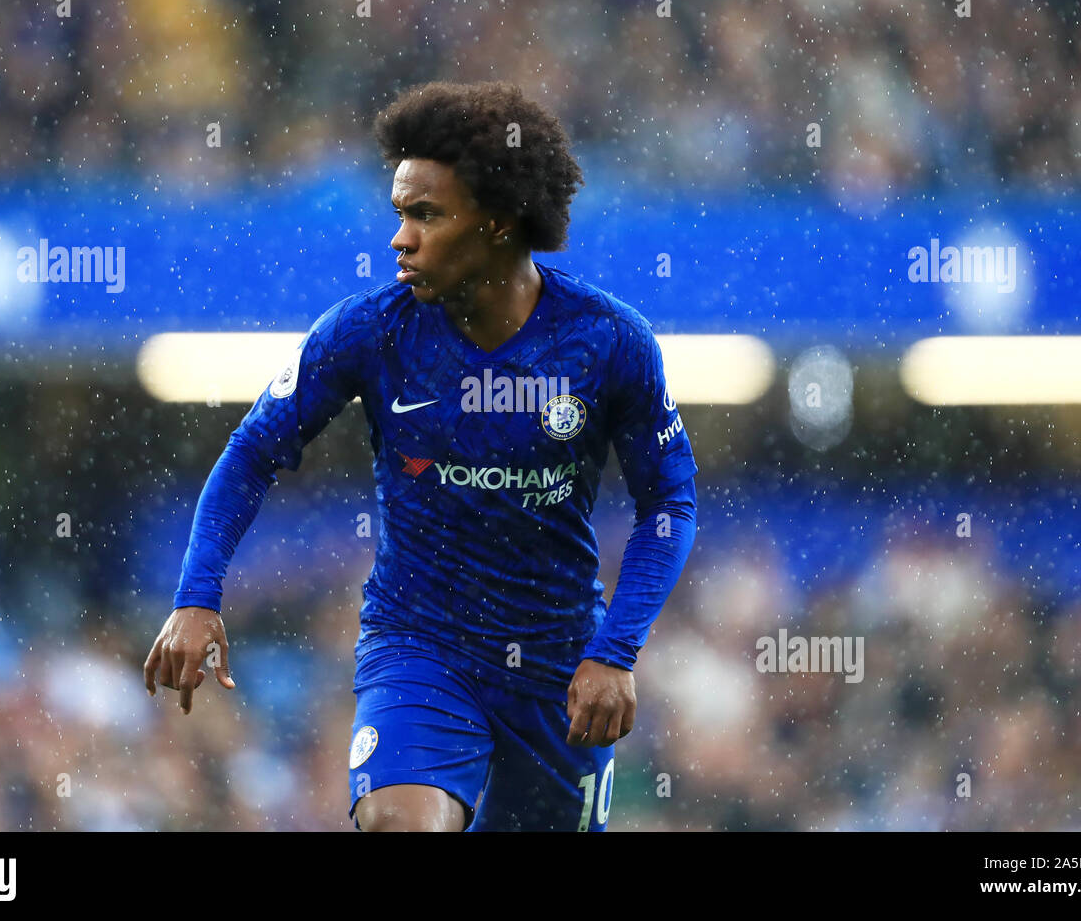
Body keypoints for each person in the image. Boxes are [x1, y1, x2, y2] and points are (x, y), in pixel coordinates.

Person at [144, 80, 698, 831]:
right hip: (420, 646)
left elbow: (668, 504)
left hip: (559, 668)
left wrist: (616, 651)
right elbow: (251, 455)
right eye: (400, 213)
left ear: (500, 225)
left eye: (427, 215)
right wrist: (196, 595)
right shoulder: (368, 333)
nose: (399, 238)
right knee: (398, 824)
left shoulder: (608, 343)